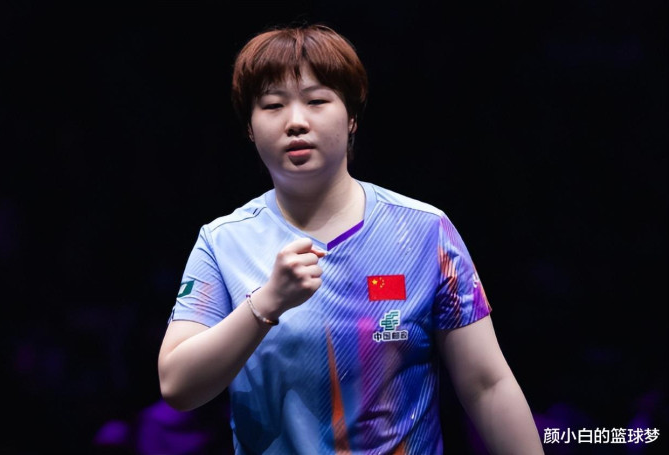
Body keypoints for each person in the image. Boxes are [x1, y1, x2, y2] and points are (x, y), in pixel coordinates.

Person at [158, 23, 544, 454]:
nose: (296, 122)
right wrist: (266, 303)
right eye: (273, 105)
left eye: (317, 101)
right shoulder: (222, 242)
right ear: (250, 127)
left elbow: (487, 385)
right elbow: (177, 385)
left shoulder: (425, 232)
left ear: (352, 117)